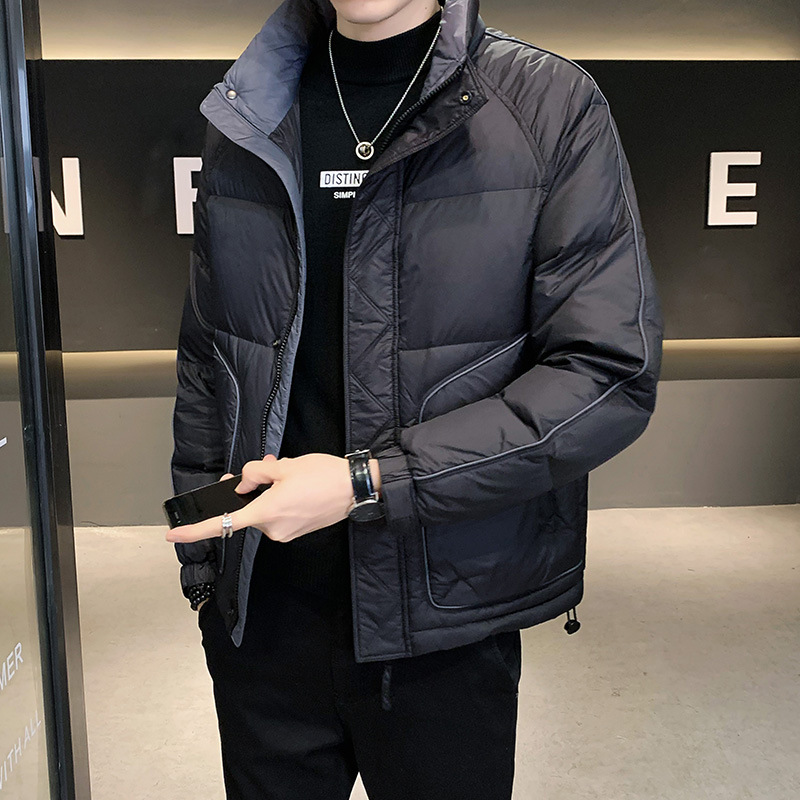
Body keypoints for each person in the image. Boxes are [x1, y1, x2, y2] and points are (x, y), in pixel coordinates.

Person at [166, 0, 664, 797]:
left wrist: (369, 481)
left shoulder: (549, 104)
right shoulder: (247, 112)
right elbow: (210, 353)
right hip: (265, 618)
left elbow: (605, 374)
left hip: (444, 620)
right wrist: (206, 562)